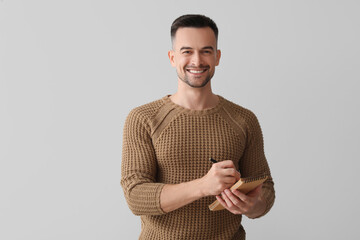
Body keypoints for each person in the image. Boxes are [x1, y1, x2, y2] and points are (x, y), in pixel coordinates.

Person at [121, 14, 275, 240]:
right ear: (172, 58)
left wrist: (252, 205)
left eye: (206, 51)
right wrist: (203, 186)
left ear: (217, 56)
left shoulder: (244, 119)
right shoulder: (143, 118)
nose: (197, 61)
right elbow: (135, 196)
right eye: (187, 51)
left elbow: (266, 188)